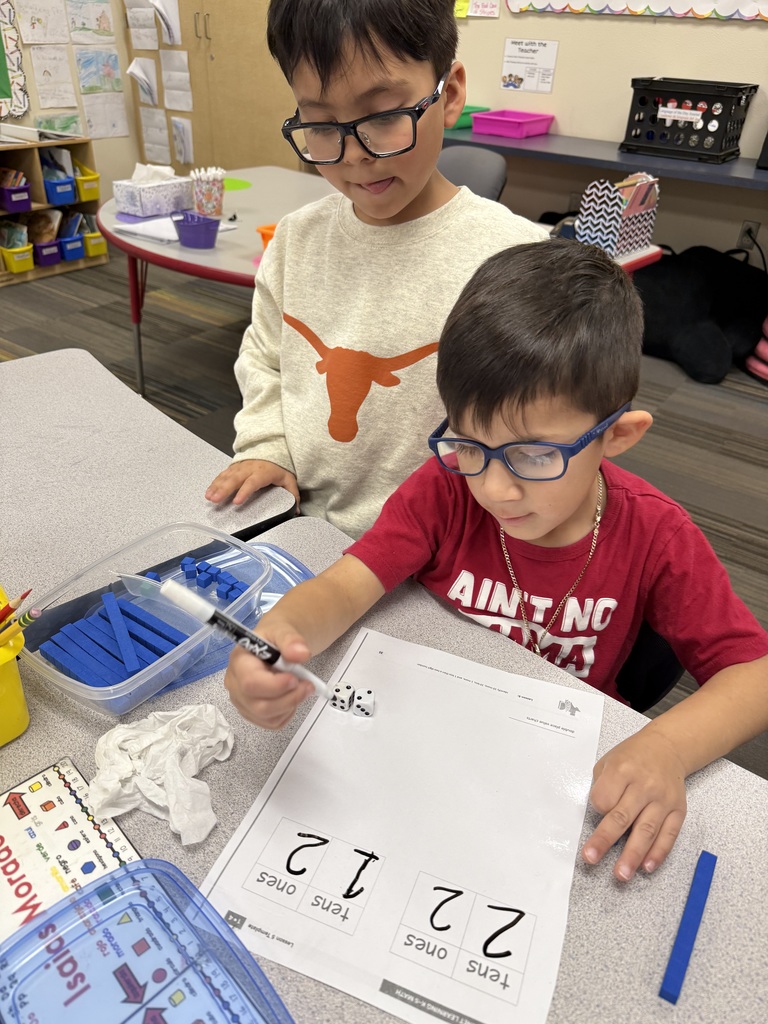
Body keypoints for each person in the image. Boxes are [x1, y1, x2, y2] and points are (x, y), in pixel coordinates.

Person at [224, 239, 768, 883]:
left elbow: (753, 674)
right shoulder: (443, 489)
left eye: (536, 456)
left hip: (559, 770)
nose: (495, 489)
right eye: (469, 445)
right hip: (432, 738)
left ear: (617, 436)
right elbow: (346, 584)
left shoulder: (657, 536)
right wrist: (280, 636)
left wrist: (668, 748)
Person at [204, 0, 548, 539]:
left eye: (385, 117)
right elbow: (265, 359)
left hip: (450, 549)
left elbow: (544, 428)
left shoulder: (520, 258)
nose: (353, 155)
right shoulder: (297, 240)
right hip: (306, 525)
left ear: (450, 94)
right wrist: (269, 449)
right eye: (320, 126)